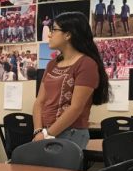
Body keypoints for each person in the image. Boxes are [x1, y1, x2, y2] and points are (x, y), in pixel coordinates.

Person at [32, 11, 109, 149]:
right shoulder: (52, 64)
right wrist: (38, 131)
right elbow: (40, 101)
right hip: (44, 133)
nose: (49, 34)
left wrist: (48, 134)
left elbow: (76, 108)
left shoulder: (86, 64)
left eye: (54, 30)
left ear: (68, 34)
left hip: (70, 133)